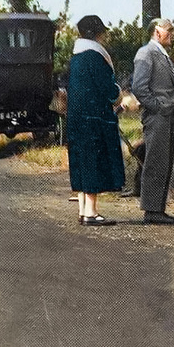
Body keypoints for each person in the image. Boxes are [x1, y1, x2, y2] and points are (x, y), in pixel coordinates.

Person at [65, 15, 124, 226]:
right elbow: (108, 89)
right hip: (94, 118)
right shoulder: (95, 56)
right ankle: (91, 212)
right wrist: (119, 97)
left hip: (76, 117)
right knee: (94, 161)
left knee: (81, 161)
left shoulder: (76, 57)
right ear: (97, 33)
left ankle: (82, 210)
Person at [131, 18, 174, 224]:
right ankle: (152, 211)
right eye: (168, 31)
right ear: (157, 32)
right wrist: (158, 107)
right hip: (158, 116)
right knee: (156, 161)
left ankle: (157, 209)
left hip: (166, 115)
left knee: (163, 161)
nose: (172, 34)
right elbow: (139, 88)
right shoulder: (146, 53)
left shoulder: (160, 53)